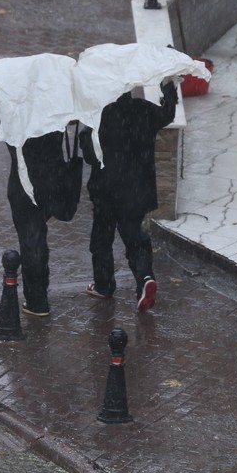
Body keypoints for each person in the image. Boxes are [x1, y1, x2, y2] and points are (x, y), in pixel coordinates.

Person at [0, 76, 82, 317]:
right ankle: (38, 289)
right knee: (38, 235)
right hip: (53, 184)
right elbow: (78, 116)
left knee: (32, 241)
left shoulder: (13, 115)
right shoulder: (56, 111)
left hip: (25, 186)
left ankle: (37, 300)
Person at [80, 80, 178, 312]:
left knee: (102, 240)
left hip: (106, 192)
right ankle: (144, 278)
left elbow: (89, 156)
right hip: (138, 192)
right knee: (138, 241)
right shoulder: (144, 109)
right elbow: (168, 114)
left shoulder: (99, 116)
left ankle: (104, 286)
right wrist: (169, 88)